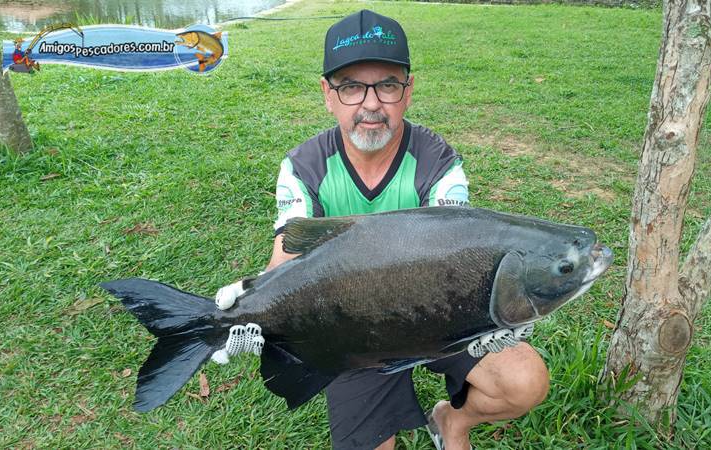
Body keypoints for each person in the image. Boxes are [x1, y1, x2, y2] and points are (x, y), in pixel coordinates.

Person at [215, 10, 549, 450]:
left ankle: (452, 422)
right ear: (327, 95)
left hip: (438, 320)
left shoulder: (439, 163)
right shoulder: (304, 167)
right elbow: (288, 255)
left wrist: (486, 316)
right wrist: (251, 304)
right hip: (354, 333)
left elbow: (460, 250)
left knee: (523, 382)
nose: (370, 104)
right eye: (351, 86)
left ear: (407, 92)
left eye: (387, 85)